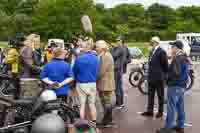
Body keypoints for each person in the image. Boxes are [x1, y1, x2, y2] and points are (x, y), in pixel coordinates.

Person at [157, 41, 188, 133]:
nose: (171, 49)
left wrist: (167, 77)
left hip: (174, 86)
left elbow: (175, 73)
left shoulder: (177, 58)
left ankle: (168, 127)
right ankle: (180, 126)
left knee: (171, 107)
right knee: (180, 107)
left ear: (176, 48)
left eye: (172, 47)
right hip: (181, 86)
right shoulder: (184, 57)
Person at [73, 37, 99, 126]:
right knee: (92, 104)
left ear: (85, 48)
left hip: (81, 83)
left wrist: (76, 79)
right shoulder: (96, 58)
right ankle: (94, 122)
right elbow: (97, 70)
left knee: (82, 104)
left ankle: (82, 122)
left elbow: (74, 71)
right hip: (92, 83)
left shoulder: (79, 58)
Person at [141, 36, 168, 118]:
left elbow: (165, 65)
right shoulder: (152, 51)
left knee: (160, 96)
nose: (150, 43)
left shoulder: (161, 52)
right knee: (150, 95)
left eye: (151, 42)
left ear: (155, 42)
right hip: (151, 77)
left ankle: (160, 112)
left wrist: (163, 76)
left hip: (159, 78)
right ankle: (150, 111)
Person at [95, 40, 115, 127]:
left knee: (106, 102)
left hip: (105, 83)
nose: (96, 48)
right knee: (106, 101)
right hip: (105, 83)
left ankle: (107, 121)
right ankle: (108, 120)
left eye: (97, 47)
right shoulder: (104, 55)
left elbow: (101, 71)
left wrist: (94, 79)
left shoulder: (106, 56)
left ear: (102, 47)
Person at [111, 36, 127, 109]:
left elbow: (113, 55)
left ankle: (119, 103)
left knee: (117, 87)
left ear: (122, 41)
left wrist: (113, 48)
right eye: (116, 40)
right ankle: (120, 102)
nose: (117, 41)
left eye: (118, 40)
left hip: (117, 69)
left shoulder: (120, 48)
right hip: (119, 69)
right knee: (119, 87)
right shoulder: (123, 47)